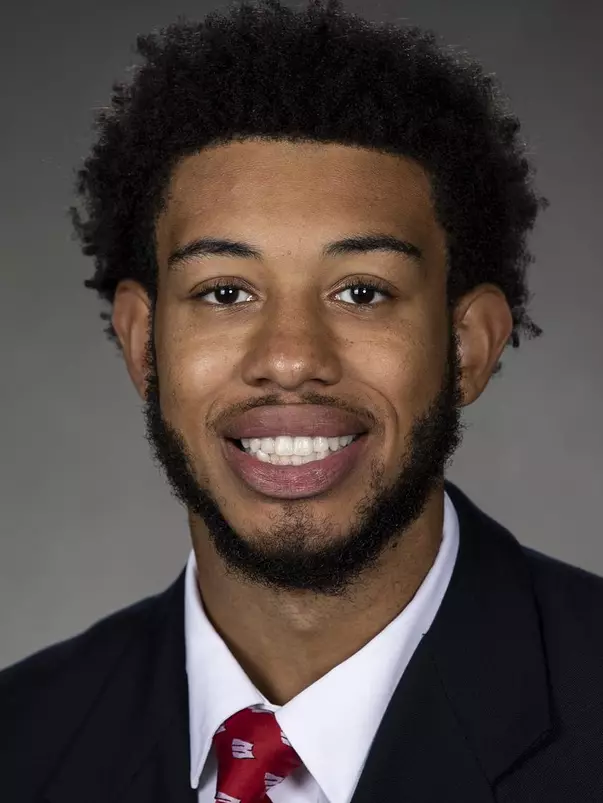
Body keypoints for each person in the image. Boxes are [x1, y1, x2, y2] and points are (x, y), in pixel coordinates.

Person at [2, 0, 602, 800]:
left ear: (468, 345)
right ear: (144, 344)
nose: (289, 359)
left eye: (361, 291)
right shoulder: (21, 739)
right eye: (223, 292)